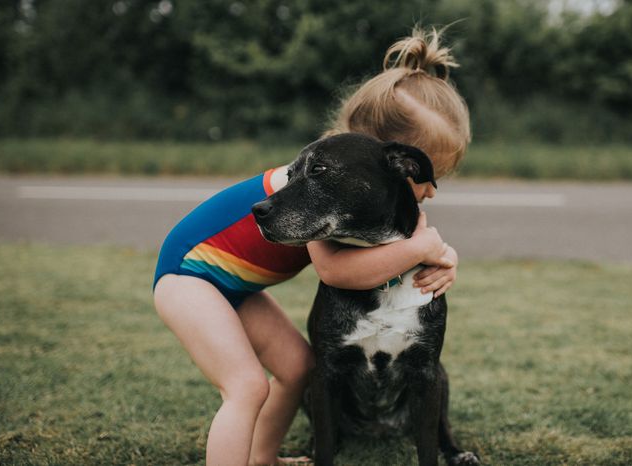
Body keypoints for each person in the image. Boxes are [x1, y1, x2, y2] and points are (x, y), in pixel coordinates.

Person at [152, 27, 470, 466]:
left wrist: (443, 258)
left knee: (299, 367)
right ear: (383, 157)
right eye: (427, 175)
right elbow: (337, 271)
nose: (431, 191)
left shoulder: (349, 186)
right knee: (246, 386)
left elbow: (415, 245)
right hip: (187, 277)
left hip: (232, 286)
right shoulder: (311, 186)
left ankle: (263, 457)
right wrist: (425, 249)